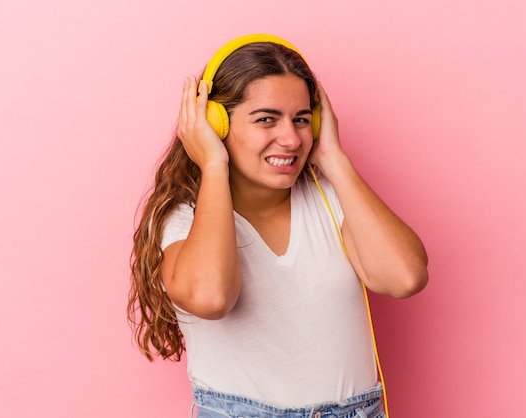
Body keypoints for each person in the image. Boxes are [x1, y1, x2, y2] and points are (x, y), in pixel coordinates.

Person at [128, 34, 428, 418]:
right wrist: (213, 164)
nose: (290, 139)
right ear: (216, 125)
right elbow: (210, 298)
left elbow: (405, 278)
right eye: (266, 119)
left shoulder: (331, 201)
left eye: (302, 119)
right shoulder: (183, 219)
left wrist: (333, 157)